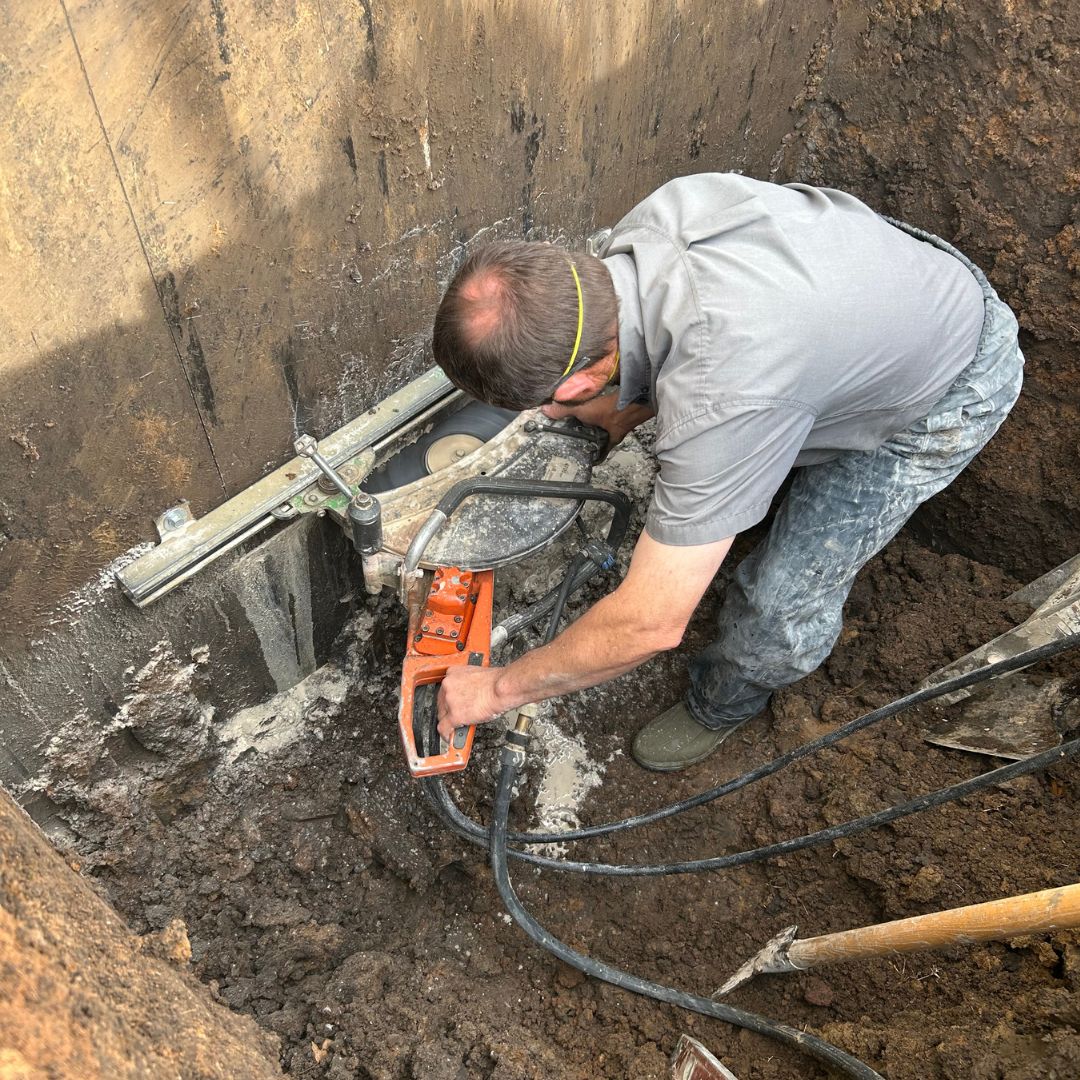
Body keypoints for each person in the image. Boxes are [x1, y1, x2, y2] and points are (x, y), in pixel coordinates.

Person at [429, 173, 1024, 771]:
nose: (556, 413)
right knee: (743, 420)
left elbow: (649, 625)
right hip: (890, 280)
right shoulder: (652, 223)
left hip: (947, 384)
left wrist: (496, 689)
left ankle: (723, 702)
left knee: (780, 601)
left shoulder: (727, 397)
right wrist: (626, 407)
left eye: (552, 401)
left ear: (582, 381)